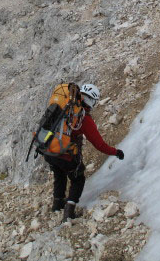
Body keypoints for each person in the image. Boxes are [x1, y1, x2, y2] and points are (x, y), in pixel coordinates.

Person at [44, 83, 124, 221]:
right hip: (65, 155)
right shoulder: (84, 118)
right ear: (92, 100)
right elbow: (99, 144)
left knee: (59, 173)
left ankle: (57, 205)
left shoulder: (64, 107)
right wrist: (116, 152)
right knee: (78, 179)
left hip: (48, 149)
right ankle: (69, 212)